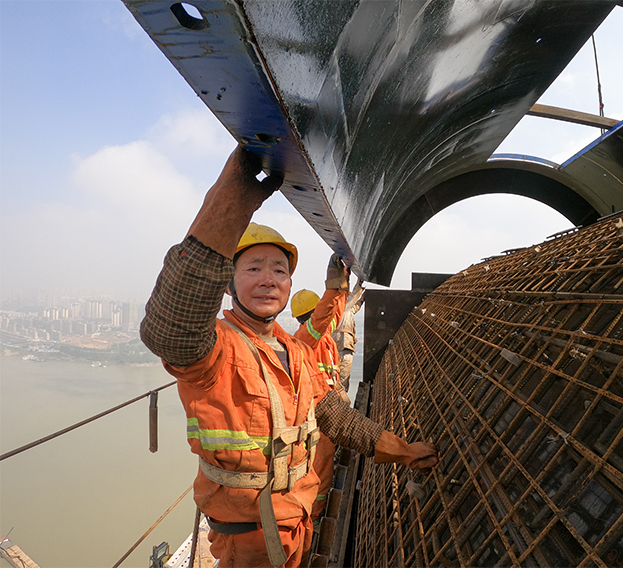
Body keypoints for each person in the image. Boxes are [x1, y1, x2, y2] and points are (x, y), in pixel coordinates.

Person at [140, 145, 438, 568]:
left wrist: (402, 450)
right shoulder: (216, 348)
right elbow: (171, 328)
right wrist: (233, 200)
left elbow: (335, 416)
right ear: (229, 283)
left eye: (279, 270)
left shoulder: (292, 349)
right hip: (250, 538)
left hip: (296, 524)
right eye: (254, 268)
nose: (268, 279)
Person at [290, 276, 350, 522]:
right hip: (315, 412)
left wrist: (343, 290)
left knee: (325, 462)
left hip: (328, 405)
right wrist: (333, 287)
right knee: (321, 466)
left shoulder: (325, 338)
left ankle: (315, 511)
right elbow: (325, 315)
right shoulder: (305, 337)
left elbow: (335, 314)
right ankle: (314, 517)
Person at [331, 280, 365, 393]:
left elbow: (354, 309)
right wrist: (359, 283)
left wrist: (361, 301)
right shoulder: (340, 307)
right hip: (342, 348)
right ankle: (340, 404)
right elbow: (352, 299)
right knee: (341, 381)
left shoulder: (345, 311)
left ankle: (340, 402)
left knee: (341, 381)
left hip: (342, 347)